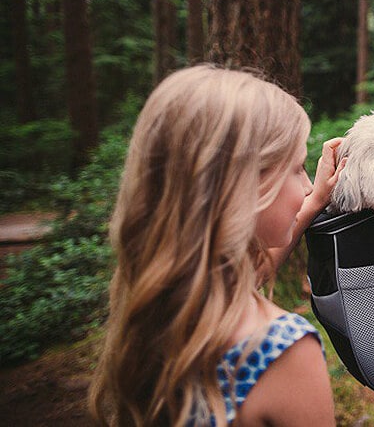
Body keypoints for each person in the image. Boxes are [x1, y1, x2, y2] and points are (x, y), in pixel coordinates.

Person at [88, 65, 343, 426]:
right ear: (239, 186)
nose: (305, 186)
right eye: (296, 168)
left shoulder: (162, 306)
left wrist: (315, 201)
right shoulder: (281, 349)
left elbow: (254, 270)